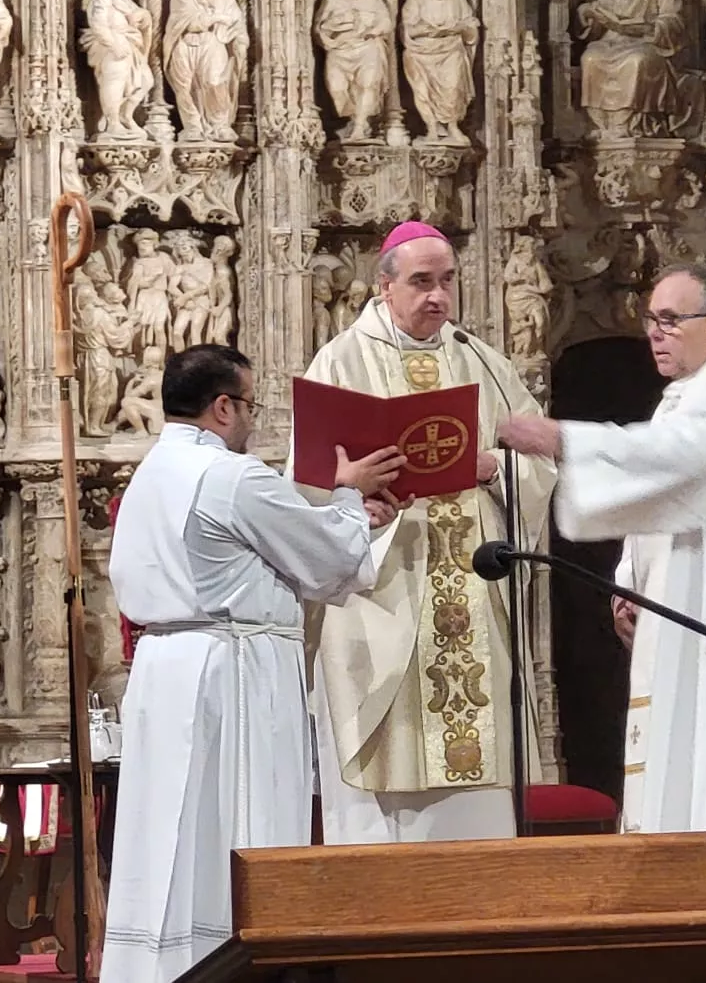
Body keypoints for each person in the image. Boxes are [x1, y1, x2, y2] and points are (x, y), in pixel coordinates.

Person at [104, 345, 406, 983]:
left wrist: (349, 518)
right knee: (230, 833)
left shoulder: (150, 475)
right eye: (248, 405)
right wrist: (351, 499)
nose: (249, 420)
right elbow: (323, 558)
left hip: (165, 670)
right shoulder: (232, 477)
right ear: (221, 407)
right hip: (232, 672)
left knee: (168, 835)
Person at [499, 262, 706, 833]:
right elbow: (663, 496)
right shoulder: (686, 396)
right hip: (681, 609)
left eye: (672, 320)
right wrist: (632, 582)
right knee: (680, 755)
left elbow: (680, 459)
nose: (656, 332)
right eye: (653, 319)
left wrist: (562, 438)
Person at [297, 220, 558, 844]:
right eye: (421, 282)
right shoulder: (340, 361)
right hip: (382, 601)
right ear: (384, 287)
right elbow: (304, 486)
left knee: (477, 814)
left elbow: (543, 458)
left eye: (446, 281)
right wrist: (352, 495)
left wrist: (493, 467)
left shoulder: (484, 364)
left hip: (470, 598)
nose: (437, 296)